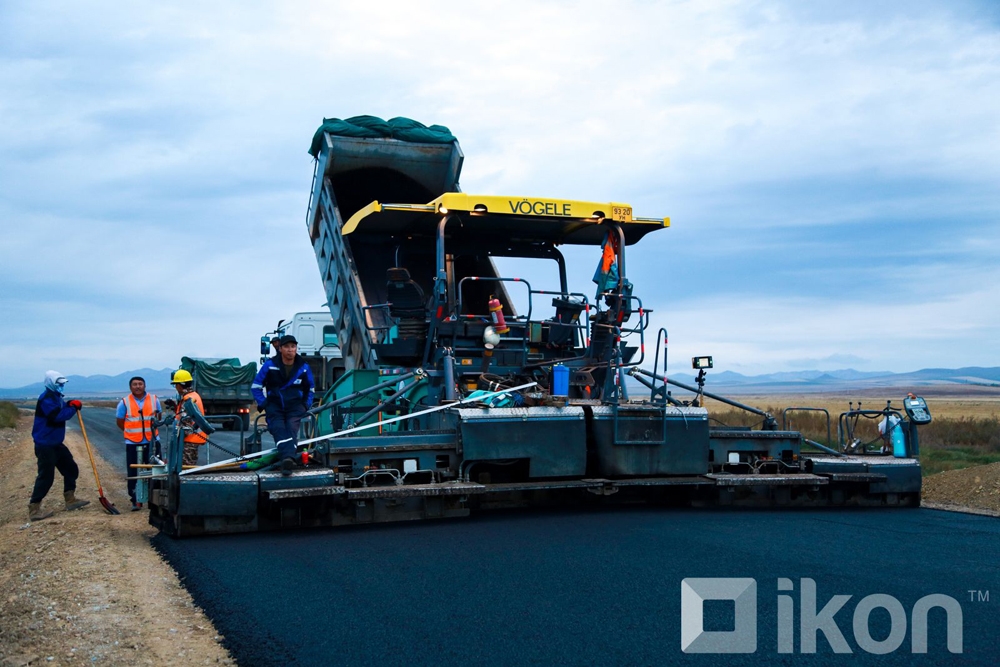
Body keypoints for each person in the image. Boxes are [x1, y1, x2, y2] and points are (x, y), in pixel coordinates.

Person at [29, 371, 90, 521]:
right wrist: (73, 408)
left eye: (62, 384)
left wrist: (69, 404)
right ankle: (34, 509)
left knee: (70, 468)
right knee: (46, 476)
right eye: (59, 383)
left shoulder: (56, 397)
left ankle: (70, 499)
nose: (61, 386)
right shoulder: (47, 398)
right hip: (45, 444)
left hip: (55, 443)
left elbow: (61, 409)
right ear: (50, 383)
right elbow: (57, 416)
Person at [252, 334, 315, 475]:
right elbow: (255, 387)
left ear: (296, 348)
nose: (290, 350)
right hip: (274, 405)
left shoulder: (304, 367)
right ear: (280, 348)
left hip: (295, 406)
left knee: (292, 427)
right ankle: (289, 458)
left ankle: (286, 459)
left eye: (293, 346)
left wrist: (306, 405)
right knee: (278, 428)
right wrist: (264, 403)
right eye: (286, 346)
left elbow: (310, 389)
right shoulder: (269, 365)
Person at [115, 376, 161, 511]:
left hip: (152, 440)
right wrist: (130, 432)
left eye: (140, 384)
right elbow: (120, 421)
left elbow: (158, 417)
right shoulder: (124, 402)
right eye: (135, 384)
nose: (138, 386)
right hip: (133, 442)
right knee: (133, 471)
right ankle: (135, 499)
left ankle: (155, 500)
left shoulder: (154, 399)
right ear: (130, 387)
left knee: (155, 470)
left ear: (145, 386)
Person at [170, 369, 208, 467]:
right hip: (194, 438)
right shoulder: (194, 395)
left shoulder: (188, 399)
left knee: (185, 467)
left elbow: (186, 421)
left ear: (180, 385)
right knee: (190, 465)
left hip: (189, 439)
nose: (176, 388)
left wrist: (178, 437)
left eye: (176, 385)